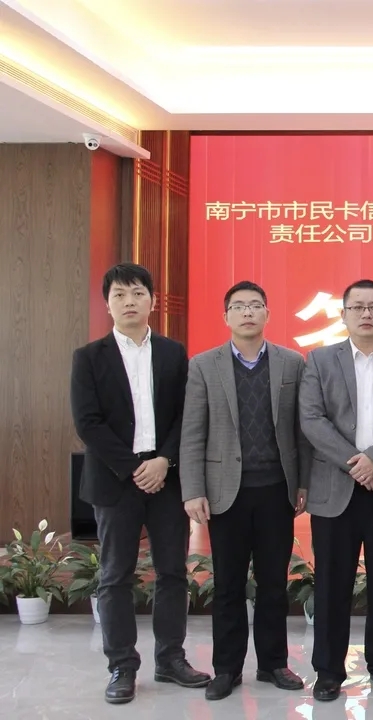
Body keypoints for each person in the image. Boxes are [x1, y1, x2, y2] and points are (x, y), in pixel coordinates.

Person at [70, 263, 211, 704]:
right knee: (115, 576)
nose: (129, 302)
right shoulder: (89, 357)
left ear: (152, 300)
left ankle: (170, 659)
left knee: (173, 572)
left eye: (137, 293)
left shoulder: (172, 353)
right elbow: (88, 423)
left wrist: (165, 460)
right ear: (107, 303)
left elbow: (187, 414)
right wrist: (134, 467)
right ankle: (121, 666)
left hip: (166, 477)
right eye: (119, 295)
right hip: (116, 480)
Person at [179, 281, 310, 700]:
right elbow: (192, 432)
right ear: (226, 317)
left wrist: (303, 481)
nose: (248, 312)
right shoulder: (204, 365)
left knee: (273, 583)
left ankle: (273, 664)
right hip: (225, 493)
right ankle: (226, 669)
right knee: (228, 585)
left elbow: (301, 430)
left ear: (268, 314)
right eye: (239, 306)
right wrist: (192, 489)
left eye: (255, 305)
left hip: (276, 490)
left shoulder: (292, 363)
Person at [299, 279, 373, 701]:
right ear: (343, 314)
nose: (366, 314)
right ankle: (329, 670)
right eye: (357, 307)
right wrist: (358, 463)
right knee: (332, 583)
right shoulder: (319, 360)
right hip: (337, 490)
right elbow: (312, 420)